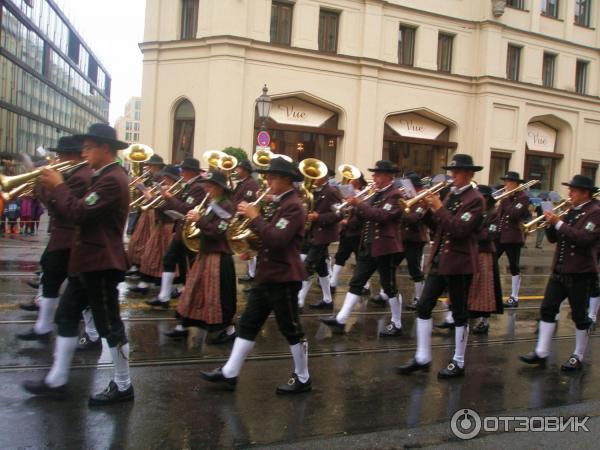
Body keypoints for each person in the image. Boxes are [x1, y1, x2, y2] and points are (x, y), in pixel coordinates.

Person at [23, 123, 134, 405]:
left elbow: (80, 212)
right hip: (88, 261)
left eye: (88, 147)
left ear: (105, 149)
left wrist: (59, 185)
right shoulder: (103, 175)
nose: (83, 152)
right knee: (67, 317)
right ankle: (57, 379)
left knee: (110, 326)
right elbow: (71, 212)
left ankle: (123, 385)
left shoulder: (112, 179)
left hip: (101, 263)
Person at [200, 157, 311, 394]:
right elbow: (266, 238)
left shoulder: (294, 206)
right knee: (249, 324)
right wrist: (249, 245)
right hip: (268, 273)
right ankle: (230, 372)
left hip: (283, 277)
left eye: (271, 177)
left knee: (291, 329)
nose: (267, 181)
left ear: (285, 180)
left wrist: (254, 216)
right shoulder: (280, 203)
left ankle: (303, 377)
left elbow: (278, 239)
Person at [397, 154, 484, 379]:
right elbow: (438, 227)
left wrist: (438, 207)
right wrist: (428, 209)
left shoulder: (475, 199)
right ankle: (422, 357)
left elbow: (460, 230)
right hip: (440, 259)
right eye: (452, 171)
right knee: (424, 307)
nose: (453, 175)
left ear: (469, 174)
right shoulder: (451, 196)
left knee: (459, 312)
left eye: (457, 172)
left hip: (460, 262)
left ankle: (459, 361)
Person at [16, 136, 96, 347]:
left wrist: (51, 184)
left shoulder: (82, 176)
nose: (58, 158)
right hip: (63, 238)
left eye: (61, 154)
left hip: (71, 239)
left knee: (78, 290)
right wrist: (42, 182)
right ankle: (43, 326)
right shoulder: (73, 173)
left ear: (73, 155)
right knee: (51, 279)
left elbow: (62, 206)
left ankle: (91, 335)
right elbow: (52, 204)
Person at [520, 175, 599, 371]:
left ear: (585, 193)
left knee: (579, 316)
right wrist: (548, 221)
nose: (569, 194)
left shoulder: (595, 213)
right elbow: (554, 238)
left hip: (580, 272)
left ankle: (578, 355)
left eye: (573, 190)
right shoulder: (571, 210)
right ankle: (541, 352)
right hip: (560, 270)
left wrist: (558, 223)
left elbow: (583, 239)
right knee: (547, 309)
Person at [321, 160, 404, 336]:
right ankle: (341, 320)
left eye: (378, 175)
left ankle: (397, 323)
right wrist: (352, 206)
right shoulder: (375, 194)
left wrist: (359, 204)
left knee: (389, 287)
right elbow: (363, 217)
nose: (375, 178)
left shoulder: (394, 195)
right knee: (356, 282)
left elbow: (381, 216)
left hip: (385, 247)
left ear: (389, 177)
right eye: (374, 175)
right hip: (368, 246)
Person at [173, 171, 237, 343]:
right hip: (205, 253)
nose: (206, 190)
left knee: (219, 296)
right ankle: (183, 325)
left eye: (210, 186)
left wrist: (199, 220)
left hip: (218, 256)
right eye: (206, 186)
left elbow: (218, 230)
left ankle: (229, 329)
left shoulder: (227, 206)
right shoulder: (212, 203)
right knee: (194, 290)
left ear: (219, 188)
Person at [145, 157, 205, 308]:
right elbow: (178, 206)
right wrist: (159, 199)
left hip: (189, 232)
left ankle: (190, 297)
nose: (181, 173)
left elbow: (186, 209)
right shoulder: (188, 185)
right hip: (181, 230)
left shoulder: (197, 187)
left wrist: (169, 198)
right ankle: (165, 297)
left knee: (188, 266)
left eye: (183, 170)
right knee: (170, 260)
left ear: (191, 171)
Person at [129, 166, 178, 295]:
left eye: (167, 177)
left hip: (168, 226)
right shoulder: (165, 189)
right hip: (159, 224)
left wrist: (151, 197)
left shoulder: (175, 191)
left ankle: (165, 288)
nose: (164, 179)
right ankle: (144, 283)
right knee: (149, 255)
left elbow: (167, 207)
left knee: (165, 258)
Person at [298, 174, 342, 310]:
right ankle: (328, 300)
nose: (310, 178)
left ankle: (298, 301)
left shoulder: (331, 192)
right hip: (310, 233)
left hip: (322, 235)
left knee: (308, 267)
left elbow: (339, 213)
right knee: (321, 268)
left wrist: (319, 217)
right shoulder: (311, 190)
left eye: (314, 175)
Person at [468, 185, 503, 335]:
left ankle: (484, 321)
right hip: (471, 251)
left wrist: (472, 231)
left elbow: (490, 234)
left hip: (485, 253)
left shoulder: (493, 213)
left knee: (485, 289)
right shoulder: (475, 210)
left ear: (487, 198)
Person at [329, 175, 370, 295]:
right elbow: (344, 210)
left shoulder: (364, 195)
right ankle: (333, 283)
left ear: (358, 181)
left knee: (360, 260)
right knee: (340, 256)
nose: (350, 181)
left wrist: (348, 222)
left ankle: (366, 285)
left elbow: (363, 215)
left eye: (352, 179)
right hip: (346, 232)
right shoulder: (347, 195)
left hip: (358, 233)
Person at [495, 171, 530, 308]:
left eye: (508, 181)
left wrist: (508, 198)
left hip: (513, 237)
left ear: (516, 183)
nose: (506, 184)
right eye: (505, 181)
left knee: (514, 266)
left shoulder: (523, 198)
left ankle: (514, 296)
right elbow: (499, 215)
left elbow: (514, 214)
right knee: (491, 262)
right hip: (500, 236)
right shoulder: (505, 198)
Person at [126, 154, 165, 273]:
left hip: (152, 211)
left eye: (151, 166)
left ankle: (140, 264)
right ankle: (136, 263)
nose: (149, 168)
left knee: (145, 238)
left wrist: (140, 186)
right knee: (139, 238)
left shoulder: (161, 177)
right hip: (145, 211)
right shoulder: (150, 176)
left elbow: (152, 194)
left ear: (157, 166)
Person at [230, 160, 260, 283]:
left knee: (249, 247)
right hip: (240, 218)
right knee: (246, 246)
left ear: (245, 171)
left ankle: (252, 274)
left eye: (239, 168)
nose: (236, 170)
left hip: (246, 219)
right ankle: (251, 272)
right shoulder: (241, 183)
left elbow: (248, 201)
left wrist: (235, 206)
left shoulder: (251, 184)